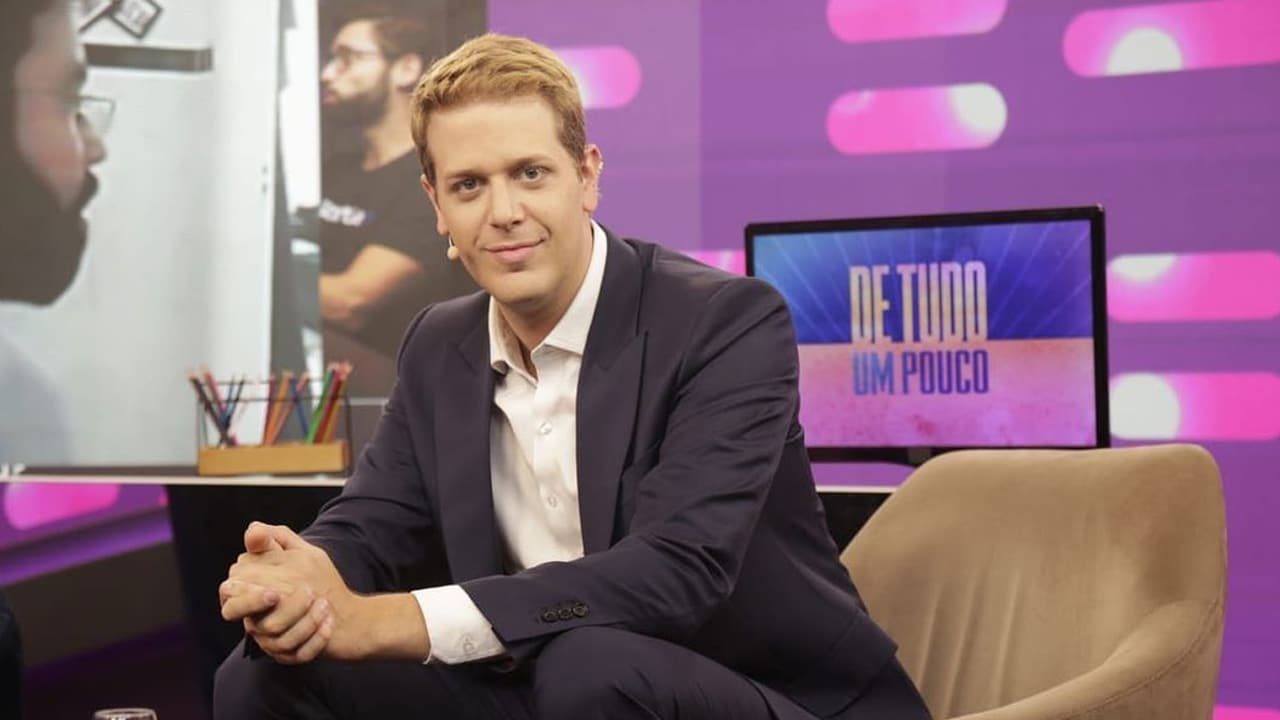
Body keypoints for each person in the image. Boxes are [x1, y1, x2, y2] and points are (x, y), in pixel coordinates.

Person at [214, 33, 931, 720]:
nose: (504, 213)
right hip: (545, 688)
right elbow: (375, 521)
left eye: (530, 173)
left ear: (587, 176)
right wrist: (298, 577)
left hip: (768, 694)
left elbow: (679, 569)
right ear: (437, 206)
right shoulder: (439, 343)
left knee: (589, 666)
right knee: (265, 675)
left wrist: (388, 622)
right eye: (469, 185)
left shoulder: (726, 321)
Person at [317, 2, 475, 393]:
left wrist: (259, 280)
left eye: (348, 58)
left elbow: (351, 302)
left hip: (393, 396)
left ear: (405, 68)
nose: (327, 74)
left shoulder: (432, 181)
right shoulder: (334, 171)